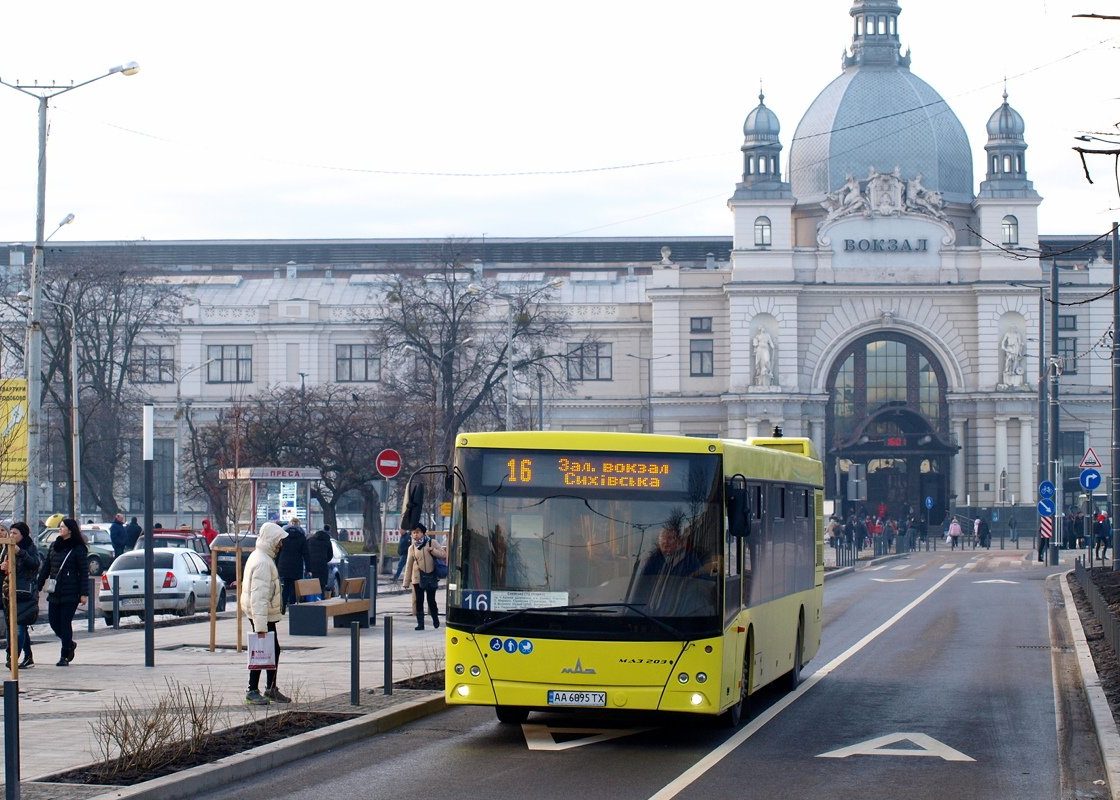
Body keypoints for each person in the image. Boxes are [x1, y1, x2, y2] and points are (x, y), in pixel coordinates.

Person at [241, 521, 290, 705]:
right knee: (262, 649)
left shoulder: (261, 556)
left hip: (262, 613)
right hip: (261, 614)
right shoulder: (263, 562)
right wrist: (260, 627)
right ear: (271, 540)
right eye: (279, 540)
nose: (281, 544)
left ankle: (270, 688)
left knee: (271, 649)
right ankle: (252, 690)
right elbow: (259, 597)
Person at [36, 518, 88, 667]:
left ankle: (64, 655)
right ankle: (69, 643)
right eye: (60, 526)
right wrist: (38, 585)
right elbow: (46, 567)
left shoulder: (78, 548)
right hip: (55, 591)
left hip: (71, 592)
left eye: (63, 527)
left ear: (70, 530)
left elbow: (83, 572)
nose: (60, 529)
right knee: (53, 622)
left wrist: (84, 593)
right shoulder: (54, 545)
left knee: (65, 623)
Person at [2, 521, 41, 668]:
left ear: (22, 535)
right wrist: (3, 567)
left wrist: (20, 552)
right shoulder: (7, 548)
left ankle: (13, 658)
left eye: (15, 533)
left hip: (24, 594)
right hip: (9, 592)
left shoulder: (29, 548)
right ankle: (26, 656)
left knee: (19, 626)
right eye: (11, 532)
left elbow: (35, 564)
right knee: (14, 626)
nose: (12, 535)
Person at [402, 524, 446, 631]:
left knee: (431, 600)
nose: (415, 535)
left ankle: (435, 619)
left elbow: (443, 554)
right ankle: (420, 624)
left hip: (431, 576)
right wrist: (406, 582)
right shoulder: (412, 548)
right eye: (413, 533)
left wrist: (433, 551)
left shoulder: (432, 542)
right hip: (417, 578)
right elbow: (408, 565)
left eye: (417, 532)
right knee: (419, 601)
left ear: (423, 533)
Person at [277, 516, 309, 612]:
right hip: (296, 565)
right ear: (299, 525)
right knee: (294, 587)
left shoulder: (283, 536)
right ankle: (292, 607)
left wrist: (277, 564)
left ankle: (282, 607)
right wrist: (308, 568)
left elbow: (278, 551)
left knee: (286, 586)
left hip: (284, 565)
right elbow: (305, 553)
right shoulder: (301, 536)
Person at [306, 524, 333, 597]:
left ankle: (313, 600)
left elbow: (306, 553)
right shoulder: (327, 541)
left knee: (312, 585)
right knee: (322, 586)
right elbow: (330, 555)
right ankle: (321, 600)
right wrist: (324, 560)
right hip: (322, 567)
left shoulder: (310, 541)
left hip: (312, 566)